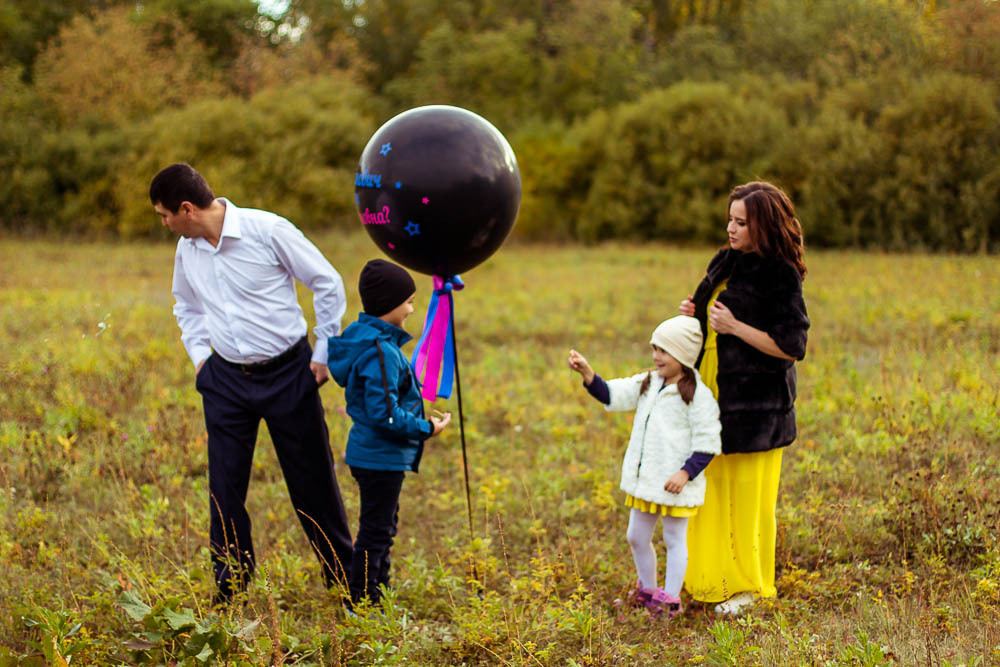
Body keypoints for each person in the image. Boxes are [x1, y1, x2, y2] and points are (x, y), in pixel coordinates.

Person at [150, 163, 354, 605]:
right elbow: (185, 306)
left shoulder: (268, 230)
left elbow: (327, 282)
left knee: (312, 483)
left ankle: (346, 582)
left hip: (288, 374)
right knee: (224, 489)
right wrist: (202, 360)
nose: (163, 224)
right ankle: (230, 591)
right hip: (224, 379)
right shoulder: (188, 249)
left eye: (164, 215)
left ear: (187, 209)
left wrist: (324, 353)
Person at [678, 181, 810, 615]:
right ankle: (708, 578)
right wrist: (693, 312)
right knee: (708, 487)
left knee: (749, 495)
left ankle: (750, 587)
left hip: (757, 406)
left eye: (740, 222)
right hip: (712, 391)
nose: (730, 229)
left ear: (763, 225)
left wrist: (735, 328)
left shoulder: (780, 274)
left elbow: (791, 346)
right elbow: (709, 313)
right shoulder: (726, 260)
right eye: (729, 220)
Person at [567, 316, 721, 617]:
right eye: (654, 348)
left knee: (675, 539)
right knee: (636, 537)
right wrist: (587, 372)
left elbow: (708, 442)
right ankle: (648, 591)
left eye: (664, 350)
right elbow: (613, 394)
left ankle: (670, 600)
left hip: (676, 484)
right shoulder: (649, 382)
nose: (656, 356)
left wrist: (685, 472)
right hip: (647, 481)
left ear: (683, 356)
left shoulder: (698, 396)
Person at [328, 259, 452, 609]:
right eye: (409, 301)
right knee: (376, 531)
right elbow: (386, 415)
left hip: (376, 455)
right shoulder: (380, 351)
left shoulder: (375, 343)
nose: (413, 308)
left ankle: (377, 594)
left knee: (383, 527)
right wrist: (427, 428)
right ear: (389, 306)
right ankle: (362, 602)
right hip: (378, 456)